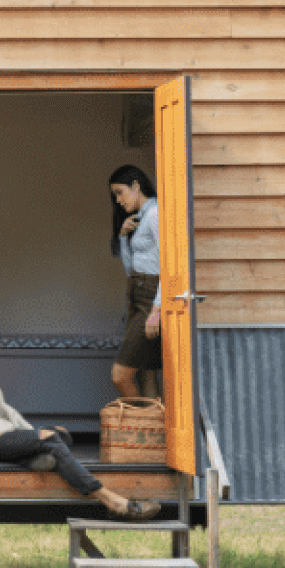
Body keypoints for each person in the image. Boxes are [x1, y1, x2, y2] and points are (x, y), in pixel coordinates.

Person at [0, 314, 162, 521]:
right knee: (50, 441)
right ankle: (113, 502)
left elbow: (3, 407)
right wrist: (34, 438)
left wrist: (32, 434)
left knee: (61, 435)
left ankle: (34, 458)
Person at [108, 164, 161, 400]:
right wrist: (122, 236)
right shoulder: (139, 219)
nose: (118, 199)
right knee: (146, 373)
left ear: (136, 186)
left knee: (120, 375)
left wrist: (156, 311)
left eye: (120, 192)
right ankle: (151, 433)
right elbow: (130, 270)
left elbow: (168, 267)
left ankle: (138, 426)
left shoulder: (155, 215)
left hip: (150, 299)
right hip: (137, 294)